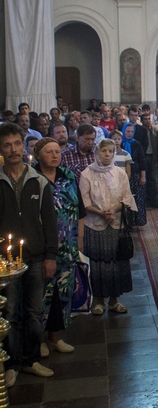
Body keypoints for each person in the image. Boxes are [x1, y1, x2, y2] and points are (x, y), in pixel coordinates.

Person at [0, 123, 58, 386]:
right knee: (10, 312)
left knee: (34, 311)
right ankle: (11, 363)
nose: (13, 150)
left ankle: (31, 359)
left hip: (36, 256)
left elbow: (49, 222)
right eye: (7, 145)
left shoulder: (38, 181)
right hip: (7, 261)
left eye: (16, 144)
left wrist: (50, 255)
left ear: (24, 146)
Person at [33, 138, 84, 358]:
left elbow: (79, 209)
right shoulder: (33, 178)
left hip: (68, 243)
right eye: (49, 152)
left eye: (57, 151)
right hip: (42, 246)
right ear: (38, 155)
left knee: (62, 293)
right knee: (41, 294)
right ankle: (38, 340)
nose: (55, 155)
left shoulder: (69, 176)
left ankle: (55, 337)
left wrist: (80, 239)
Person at [80, 139, 137, 317]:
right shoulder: (87, 173)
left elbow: (127, 198)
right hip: (94, 224)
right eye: (104, 151)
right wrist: (101, 213)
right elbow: (84, 201)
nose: (107, 154)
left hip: (115, 223)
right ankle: (98, 300)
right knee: (97, 263)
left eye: (111, 151)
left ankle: (114, 300)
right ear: (97, 152)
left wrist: (113, 210)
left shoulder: (120, 173)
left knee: (116, 261)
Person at [121, 123, 147, 228]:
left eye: (132, 132)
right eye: (128, 131)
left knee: (136, 198)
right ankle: (125, 222)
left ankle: (135, 221)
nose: (130, 133)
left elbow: (142, 160)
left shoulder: (136, 144)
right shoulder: (120, 143)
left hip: (135, 172)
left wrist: (143, 176)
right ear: (123, 131)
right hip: (122, 173)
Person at [141, 114, 158, 209]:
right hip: (144, 157)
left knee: (154, 180)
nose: (147, 121)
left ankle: (155, 201)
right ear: (142, 120)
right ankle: (146, 200)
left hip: (153, 157)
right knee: (144, 180)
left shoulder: (155, 131)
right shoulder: (140, 130)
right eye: (145, 119)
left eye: (149, 119)